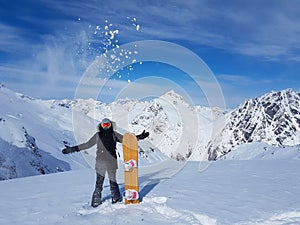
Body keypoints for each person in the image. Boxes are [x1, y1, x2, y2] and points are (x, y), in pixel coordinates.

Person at [62, 118, 149, 207]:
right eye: (104, 125)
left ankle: (113, 199)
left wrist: (138, 137)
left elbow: (126, 140)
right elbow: (86, 145)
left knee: (111, 181)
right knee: (100, 182)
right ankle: (105, 199)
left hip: (109, 162)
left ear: (111, 125)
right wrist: (72, 149)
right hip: (102, 162)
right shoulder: (98, 135)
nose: (106, 127)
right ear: (101, 125)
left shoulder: (113, 134)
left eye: (108, 125)